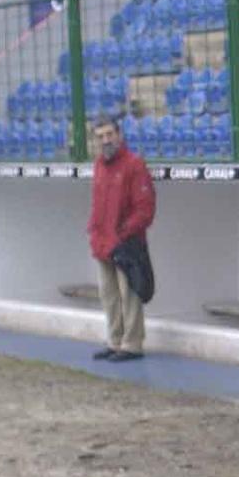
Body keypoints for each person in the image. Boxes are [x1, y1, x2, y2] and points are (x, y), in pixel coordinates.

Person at [87, 116, 156, 362]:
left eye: (109, 134)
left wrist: (123, 235)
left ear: (119, 135)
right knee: (109, 296)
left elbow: (144, 209)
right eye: (100, 136)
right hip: (103, 244)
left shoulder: (134, 165)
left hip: (126, 244)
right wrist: (95, 235)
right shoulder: (98, 165)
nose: (106, 140)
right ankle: (114, 341)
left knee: (130, 295)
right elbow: (97, 205)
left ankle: (132, 344)